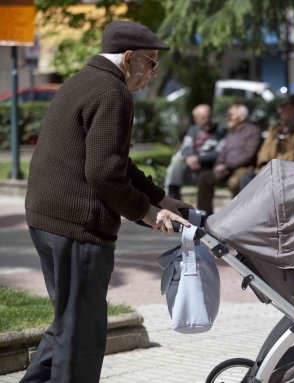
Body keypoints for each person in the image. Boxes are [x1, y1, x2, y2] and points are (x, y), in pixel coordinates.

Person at [22, 21, 192, 383]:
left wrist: (159, 197)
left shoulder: (84, 80)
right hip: (76, 228)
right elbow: (104, 173)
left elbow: (115, 161)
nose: (152, 73)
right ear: (129, 58)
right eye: (151, 63)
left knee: (69, 323)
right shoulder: (113, 93)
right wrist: (147, 213)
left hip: (47, 220)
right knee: (82, 336)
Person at [196, 103, 262, 215]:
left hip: (243, 167)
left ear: (241, 116)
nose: (228, 117)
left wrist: (227, 165)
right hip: (226, 169)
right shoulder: (231, 132)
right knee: (204, 177)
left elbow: (249, 155)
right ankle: (203, 216)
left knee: (235, 182)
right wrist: (218, 165)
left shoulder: (252, 131)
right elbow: (223, 152)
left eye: (231, 114)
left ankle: (240, 215)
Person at [239, 94, 294, 190]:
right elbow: (265, 149)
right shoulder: (275, 128)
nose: (280, 110)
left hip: (291, 174)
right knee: (246, 178)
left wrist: (275, 167)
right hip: (270, 171)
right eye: (279, 107)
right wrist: (264, 164)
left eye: (284, 107)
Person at [164, 104, 226, 200]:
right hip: (191, 167)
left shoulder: (221, 131)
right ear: (195, 119)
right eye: (202, 118)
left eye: (208, 117)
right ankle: (173, 190)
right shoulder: (193, 129)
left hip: (209, 167)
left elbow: (220, 153)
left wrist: (199, 159)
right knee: (177, 158)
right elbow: (186, 146)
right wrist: (188, 157)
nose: (206, 121)